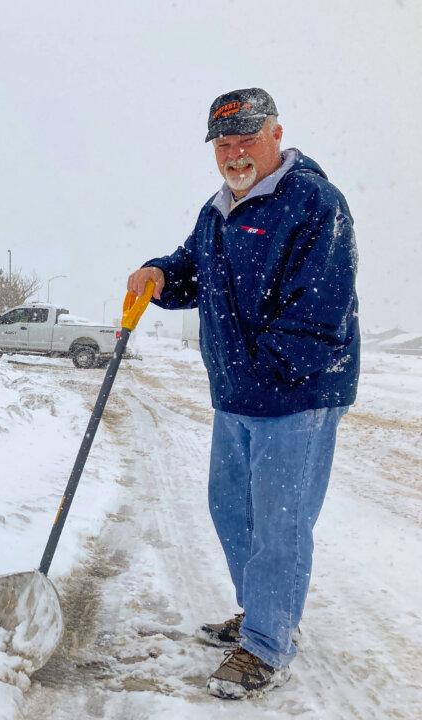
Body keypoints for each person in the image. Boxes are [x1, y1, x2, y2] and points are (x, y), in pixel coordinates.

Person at [126, 88, 359, 700]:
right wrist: (159, 273)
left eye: (245, 140)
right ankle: (261, 611)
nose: (233, 154)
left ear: (276, 135)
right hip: (236, 393)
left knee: (280, 523)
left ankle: (267, 643)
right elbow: (191, 270)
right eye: (223, 144)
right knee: (232, 509)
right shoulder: (219, 210)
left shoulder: (313, 202)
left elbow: (320, 312)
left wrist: (261, 371)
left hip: (295, 395)